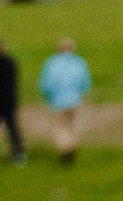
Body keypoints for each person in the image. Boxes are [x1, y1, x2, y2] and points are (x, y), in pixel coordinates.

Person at [39, 37, 91, 165]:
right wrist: (80, 93)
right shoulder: (79, 62)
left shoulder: (52, 63)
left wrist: (48, 97)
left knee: (59, 127)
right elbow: (85, 82)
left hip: (57, 101)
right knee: (72, 125)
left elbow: (46, 84)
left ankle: (65, 148)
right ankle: (72, 146)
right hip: (75, 100)